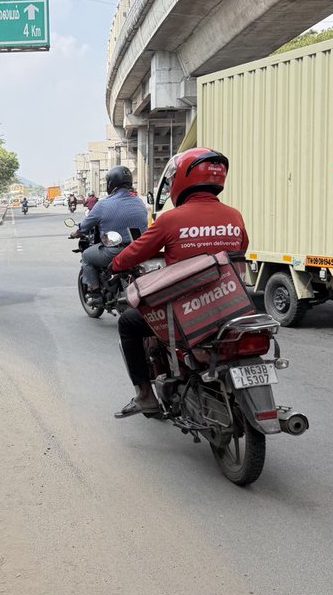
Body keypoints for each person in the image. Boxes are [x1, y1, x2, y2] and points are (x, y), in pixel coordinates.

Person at [109, 148, 248, 418]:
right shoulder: (234, 215)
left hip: (189, 310)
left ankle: (146, 396)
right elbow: (240, 247)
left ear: (182, 180)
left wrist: (114, 264)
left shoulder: (170, 219)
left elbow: (135, 253)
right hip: (233, 305)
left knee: (128, 322)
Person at [70, 166, 148, 308]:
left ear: (110, 183)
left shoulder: (103, 204)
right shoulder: (139, 202)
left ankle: (96, 295)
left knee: (87, 256)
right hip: (140, 250)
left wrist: (75, 233)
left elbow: (85, 226)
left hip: (116, 251)